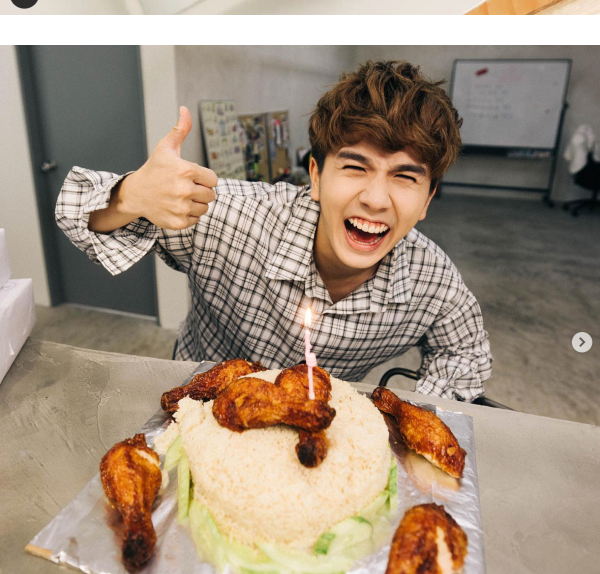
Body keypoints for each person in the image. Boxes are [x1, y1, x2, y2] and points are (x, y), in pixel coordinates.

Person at [54, 57, 492, 400]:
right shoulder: (232, 219)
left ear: (428, 199)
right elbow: (75, 210)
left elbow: (466, 354)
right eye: (355, 167)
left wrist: (410, 419)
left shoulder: (433, 282)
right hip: (202, 406)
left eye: (405, 176)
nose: (376, 199)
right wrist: (130, 196)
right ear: (316, 176)